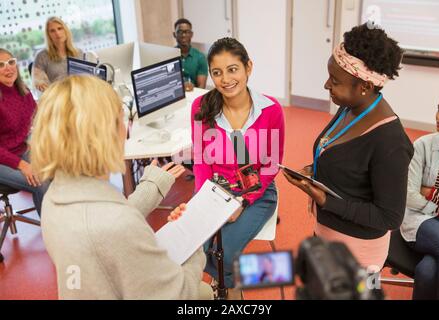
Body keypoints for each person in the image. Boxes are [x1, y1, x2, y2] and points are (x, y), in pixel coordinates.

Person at [30, 75, 212, 300]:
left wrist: (151, 187)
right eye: (121, 119)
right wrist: (193, 241)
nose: (126, 127)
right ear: (103, 134)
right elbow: (179, 294)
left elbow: (101, 223)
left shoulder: (54, 199)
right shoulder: (117, 225)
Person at [283, 23, 413, 272]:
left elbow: (389, 217)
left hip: (360, 254)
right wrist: (314, 170)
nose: (326, 85)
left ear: (364, 86)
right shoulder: (350, 108)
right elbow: (346, 160)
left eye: (334, 80)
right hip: (329, 235)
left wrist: (324, 199)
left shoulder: (390, 142)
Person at [191, 37, 285, 299]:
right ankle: (227, 288)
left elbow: (271, 164)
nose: (225, 79)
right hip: (215, 190)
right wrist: (206, 202)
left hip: (256, 192)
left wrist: (242, 202)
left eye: (233, 69)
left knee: (226, 252)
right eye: (217, 72)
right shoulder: (202, 107)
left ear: (248, 68)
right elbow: (200, 159)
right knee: (199, 246)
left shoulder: (270, 110)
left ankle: (226, 290)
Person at [400, 87, 439, 300]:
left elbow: (420, 191)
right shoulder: (423, 145)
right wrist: (434, 206)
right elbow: (409, 194)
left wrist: (429, 192)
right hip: (423, 219)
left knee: (426, 272)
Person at [0, 48, 48, 216]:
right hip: (3, 159)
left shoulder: (23, 90)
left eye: (11, 62)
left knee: (57, 169)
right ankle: (53, 237)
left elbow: (35, 119)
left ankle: (62, 224)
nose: (8, 68)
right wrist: (23, 165)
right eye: (1, 65)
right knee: (39, 182)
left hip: (21, 150)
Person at [32, 17, 83, 92]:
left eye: (60, 28)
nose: (57, 33)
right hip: (57, 96)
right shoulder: (42, 56)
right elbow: (39, 83)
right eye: (52, 31)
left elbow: (85, 78)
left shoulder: (78, 52)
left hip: (78, 93)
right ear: (48, 35)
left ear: (65, 30)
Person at [173, 18, 208, 89]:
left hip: (193, 95)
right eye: (180, 32)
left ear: (191, 34)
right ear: (174, 34)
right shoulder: (168, 56)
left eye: (187, 32)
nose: (183, 35)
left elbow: (201, 87)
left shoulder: (200, 57)